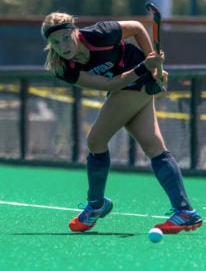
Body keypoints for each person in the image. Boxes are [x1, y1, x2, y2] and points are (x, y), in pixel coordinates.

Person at [41, 12, 203, 234]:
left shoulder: (100, 34)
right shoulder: (61, 67)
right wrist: (146, 68)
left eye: (66, 37)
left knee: (96, 140)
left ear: (75, 32)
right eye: (55, 42)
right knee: (152, 146)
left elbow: (137, 27)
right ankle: (185, 212)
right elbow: (110, 83)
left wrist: (153, 66)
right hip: (126, 81)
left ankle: (96, 205)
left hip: (139, 78)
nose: (62, 45)